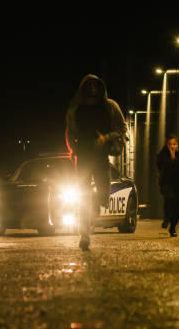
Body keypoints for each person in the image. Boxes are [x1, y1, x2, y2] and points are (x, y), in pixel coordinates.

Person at [66, 74, 127, 251]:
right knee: (83, 195)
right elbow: (70, 131)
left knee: (103, 195)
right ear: (83, 88)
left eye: (95, 85)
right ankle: (84, 233)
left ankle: (94, 211)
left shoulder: (109, 106)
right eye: (89, 85)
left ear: (101, 87)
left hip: (101, 156)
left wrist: (106, 138)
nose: (92, 88)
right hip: (83, 157)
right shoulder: (76, 108)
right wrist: (72, 150)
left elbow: (121, 127)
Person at [157, 133, 179, 237]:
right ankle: (166, 218)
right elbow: (160, 166)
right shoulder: (162, 154)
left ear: (178, 144)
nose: (172, 146)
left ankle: (173, 227)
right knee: (169, 201)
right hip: (167, 183)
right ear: (167, 145)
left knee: (177, 207)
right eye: (170, 144)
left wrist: (174, 158)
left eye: (174, 144)